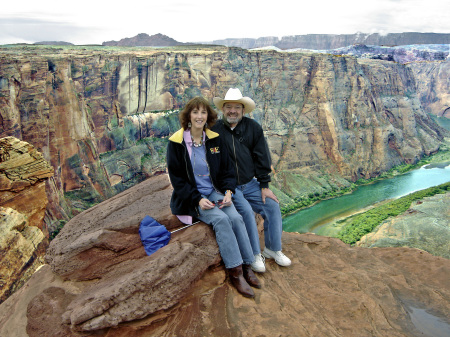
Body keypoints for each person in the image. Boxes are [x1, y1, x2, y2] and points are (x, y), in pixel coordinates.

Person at [166, 96, 261, 298]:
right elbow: (178, 180)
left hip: (215, 192)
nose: (199, 116)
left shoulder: (214, 139)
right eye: (195, 112)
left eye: (203, 112)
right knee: (221, 219)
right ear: (188, 116)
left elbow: (227, 171)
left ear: (208, 116)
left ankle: (247, 265)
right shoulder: (176, 143)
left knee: (236, 217)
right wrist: (197, 199)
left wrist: (228, 192)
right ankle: (235, 272)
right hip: (193, 198)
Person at [212, 88, 292, 273]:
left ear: (243, 109)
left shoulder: (252, 127)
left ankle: (273, 249)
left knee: (272, 205)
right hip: (229, 188)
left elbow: (262, 156)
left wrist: (264, 185)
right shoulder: (214, 131)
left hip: (250, 183)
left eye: (237, 107)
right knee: (247, 212)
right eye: (229, 107)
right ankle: (255, 254)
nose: (233, 111)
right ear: (223, 109)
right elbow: (211, 161)